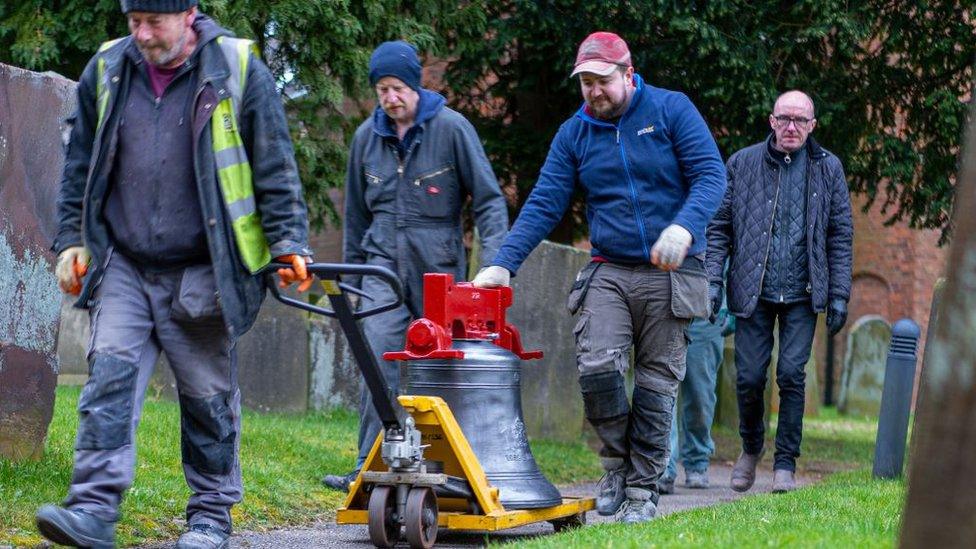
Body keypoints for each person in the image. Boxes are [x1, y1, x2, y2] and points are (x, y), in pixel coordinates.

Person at [36, 1, 313, 547]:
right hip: (125, 263)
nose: (140, 33)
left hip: (205, 269)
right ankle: (92, 509)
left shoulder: (235, 68)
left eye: (152, 22)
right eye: (133, 20)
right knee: (108, 383)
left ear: (188, 13)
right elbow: (78, 163)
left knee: (207, 398)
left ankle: (210, 515)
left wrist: (287, 242)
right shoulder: (109, 68)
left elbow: (274, 162)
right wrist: (70, 238)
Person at [472, 31, 725, 523]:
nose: (593, 91)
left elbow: (711, 174)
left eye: (602, 81)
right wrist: (505, 262)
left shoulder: (672, 110)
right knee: (598, 369)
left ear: (628, 75)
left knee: (656, 381)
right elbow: (545, 201)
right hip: (609, 268)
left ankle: (642, 491)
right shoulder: (575, 133)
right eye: (585, 82)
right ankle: (616, 466)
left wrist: (684, 227)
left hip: (669, 269)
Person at [321, 40, 509, 491]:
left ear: (416, 85)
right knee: (378, 356)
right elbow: (355, 217)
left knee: (441, 366)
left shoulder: (451, 129)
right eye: (382, 89)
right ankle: (370, 467)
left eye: (398, 87)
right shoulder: (366, 138)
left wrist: (497, 266)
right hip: (380, 264)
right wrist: (351, 282)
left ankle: (455, 471)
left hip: (438, 267)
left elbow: (488, 201)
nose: (390, 98)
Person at [705, 90, 853, 494]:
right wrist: (712, 281)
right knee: (750, 377)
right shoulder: (742, 163)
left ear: (812, 126)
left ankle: (785, 463)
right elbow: (720, 228)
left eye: (800, 120)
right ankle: (751, 448)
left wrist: (839, 293)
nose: (791, 127)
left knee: (791, 374)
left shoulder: (829, 168)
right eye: (784, 119)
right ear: (771, 121)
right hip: (753, 289)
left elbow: (840, 234)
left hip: (804, 292)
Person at [660, 309, 733, 493]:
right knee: (661, 386)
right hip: (663, 302)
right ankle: (663, 466)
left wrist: (733, 306)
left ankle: (697, 459)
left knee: (700, 394)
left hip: (707, 306)